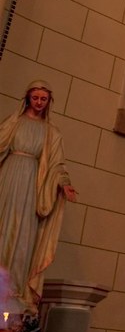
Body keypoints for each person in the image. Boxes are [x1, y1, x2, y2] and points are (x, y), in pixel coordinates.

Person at [0, 81, 77, 314]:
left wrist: (64, 184)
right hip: (8, 179)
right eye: (35, 98)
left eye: (43, 99)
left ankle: (13, 289)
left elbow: (56, 164)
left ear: (49, 101)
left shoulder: (51, 133)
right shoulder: (14, 122)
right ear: (28, 98)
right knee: (3, 226)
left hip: (33, 185)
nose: (39, 102)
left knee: (24, 235)